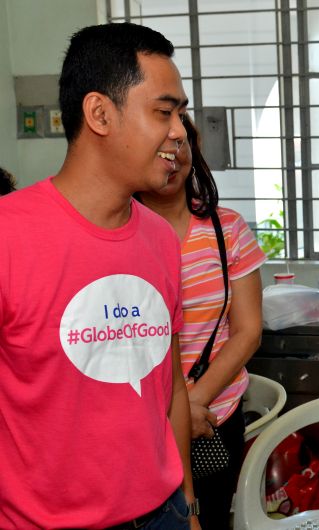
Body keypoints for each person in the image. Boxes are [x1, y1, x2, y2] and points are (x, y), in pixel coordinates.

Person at [0, 23, 200, 529]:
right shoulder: (8, 236)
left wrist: (189, 504)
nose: (179, 131)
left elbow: (171, 388)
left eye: (180, 114)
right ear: (99, 114)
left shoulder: (160, 239)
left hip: (165, 514)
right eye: (163, 112)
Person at [138, 116, 266, 529]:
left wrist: (193, 404)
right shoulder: (120, 234)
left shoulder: (226, 229)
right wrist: (172, 412)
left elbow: (248, 331)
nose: (172, 155)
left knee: (206, 518)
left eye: (180, 144)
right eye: (159, 147)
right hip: (141, 420)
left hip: (213, 416)